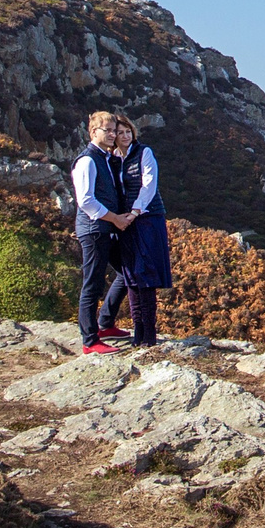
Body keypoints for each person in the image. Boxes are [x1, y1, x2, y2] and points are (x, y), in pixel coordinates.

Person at [69, 111, 169, 352]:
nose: (114, 135)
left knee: (127, 273)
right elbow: (86, 200)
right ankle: (90, 340)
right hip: (95, 229)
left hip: (109, 228)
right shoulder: (88, 160)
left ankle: (105, 322)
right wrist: (116, 218)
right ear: (94, 132)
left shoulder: (107, 158)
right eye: (109, 131)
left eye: (117, 131)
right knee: (92, 283)